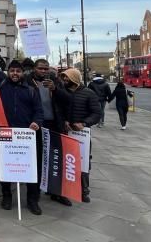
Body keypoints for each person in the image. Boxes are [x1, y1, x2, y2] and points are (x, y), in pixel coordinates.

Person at [0, 36, 44, 215]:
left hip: (27, 135)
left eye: (18, 71)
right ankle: (6, 197)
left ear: (22, 73)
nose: (15, 74)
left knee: (31, 169)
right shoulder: (2, 83)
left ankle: (33, 200)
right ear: (8, 72)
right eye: (12, 71)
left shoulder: (31, 90)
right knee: (7, 167)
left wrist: (36, 122)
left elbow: (38, 110)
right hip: (6, 135)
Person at [27, 58, 71, 206]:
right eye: (40, 68)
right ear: (34, 68)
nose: (44, 71)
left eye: (46, 69)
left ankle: (55, 192)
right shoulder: (28, 81)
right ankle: (34, 196)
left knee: (55, 159)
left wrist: (56, 89)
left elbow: (68, 99)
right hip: (37, 125)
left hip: (54, 124)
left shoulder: (54, 81)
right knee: (38, 160)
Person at [59, 68, 101, 203]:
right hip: (65, 132)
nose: (65, 80)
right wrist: (64, 120)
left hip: (82, 135)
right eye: (64, 77)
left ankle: (84, 191)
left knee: (83, 162)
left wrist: (84, 123)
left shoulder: (89, 93)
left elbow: (96, 113)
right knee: (66, 162)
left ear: (75, 79)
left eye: (67, 78)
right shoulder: (63, 92)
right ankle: (65, 189)